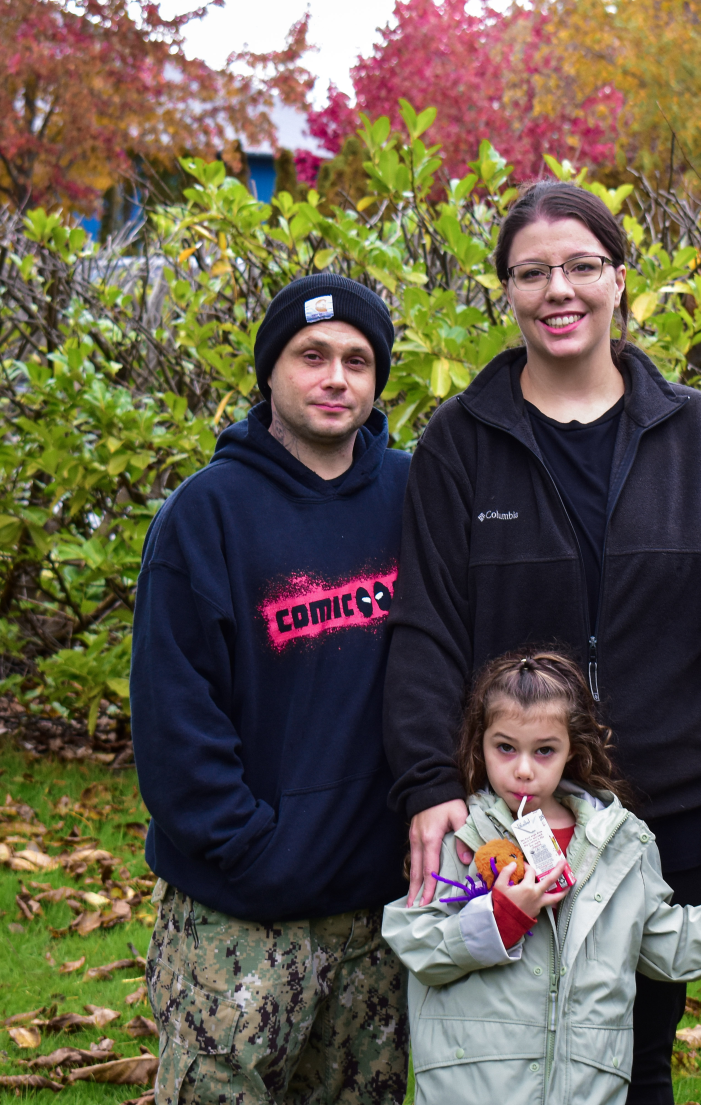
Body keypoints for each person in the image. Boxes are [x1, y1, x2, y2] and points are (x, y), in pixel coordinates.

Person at [382, 181, 701, 1104]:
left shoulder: (696, 429)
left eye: (581, 265)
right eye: (532, 272)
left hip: (674, 805)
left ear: (620, 279)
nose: (558, 289)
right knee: (512, 1055)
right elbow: (426, 628)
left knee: (633, 1058)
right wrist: (429, 783)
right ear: (506, 291)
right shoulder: (460, 442)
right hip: (520, 810)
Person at [131, 274, 411, 1105]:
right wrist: (255, 851)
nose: (336, 378)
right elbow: (176, 721)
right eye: (311, 356)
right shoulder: (205, 515)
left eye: (357, 361)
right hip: (239, 919)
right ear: (270, 373)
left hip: (377, 915)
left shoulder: (410, 495)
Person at [382, 651, 701, 1105]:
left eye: (544, 750)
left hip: (585, 1090)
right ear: (479, 742)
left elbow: (664, 946)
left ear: (573, 749)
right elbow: (416, 942)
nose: (523, 769)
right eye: (505, 747)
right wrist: (498, 920)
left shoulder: (620, 846)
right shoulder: (462, 839)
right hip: (475, 1088)